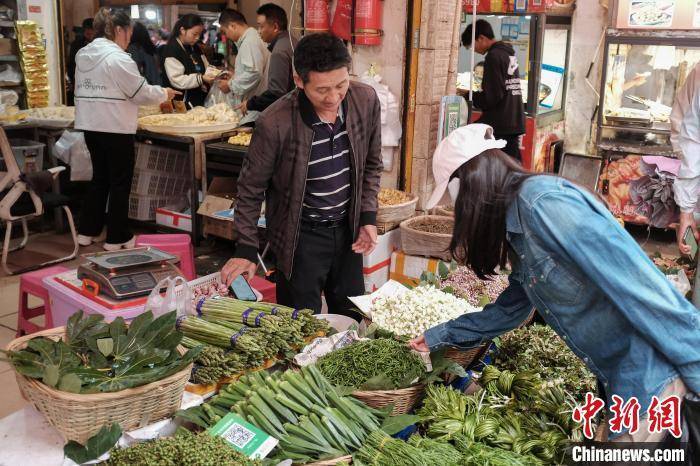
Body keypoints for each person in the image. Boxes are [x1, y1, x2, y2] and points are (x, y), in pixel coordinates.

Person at [409, 124, 700, 442]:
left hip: (651, 381)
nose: (459, 211)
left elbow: (644, 290)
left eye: (456, 201)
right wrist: (440, 335)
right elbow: (511, 310)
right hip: (619, 380)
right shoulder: (519, 222)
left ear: (470, 184)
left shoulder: (544, 206)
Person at [220, 33, 382, 319]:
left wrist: (367, 217)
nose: (333, 97)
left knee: (353, 315)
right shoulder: (275, 122)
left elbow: (372, 164)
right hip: (300, 238)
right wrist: (246, 248)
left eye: (341, 85)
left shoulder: (365, 100)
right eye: (322, 90)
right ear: (298, 81)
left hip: (347, 233)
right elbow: (250, 189)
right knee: (300, 323)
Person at [74, 9, 179, 251]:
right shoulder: (118, 58)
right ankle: (117, 237)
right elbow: (139, 92)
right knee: (120, 182)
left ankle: (88, 231)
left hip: (90, 125)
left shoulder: (84, 54)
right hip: (115, 127)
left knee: (99, 178)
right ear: (119, 30)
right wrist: (164, 93)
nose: (130, 37)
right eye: (129, 31)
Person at [462, 20, 525, 161]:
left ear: (482, 38)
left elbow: (493, 96)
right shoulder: (507, 53)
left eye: (473, 45)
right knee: (513, 164)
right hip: (512, 119)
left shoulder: (493, 56)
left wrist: (469, 95)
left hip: (501, 123)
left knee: (506, 168)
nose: (474, 50)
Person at [237, 3, 296, 116]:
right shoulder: (290, 41)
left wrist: (250, 103)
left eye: (261, 26)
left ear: (275, 27)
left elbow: (276, 93)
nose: (259, 31)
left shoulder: (280, 51)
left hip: (288, 112)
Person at [217, 9, 269, 125]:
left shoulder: (249, 42)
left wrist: (230, 85)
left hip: (253, 110)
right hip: (254, 106)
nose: (226, 36)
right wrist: (235, 76)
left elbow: (254, 73)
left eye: (225, 32)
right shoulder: (251, 38)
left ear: (232, 26)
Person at [161, 14, 213, 108]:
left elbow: (206, 66)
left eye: (199, 34)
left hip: (198, 100)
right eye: (194, 34)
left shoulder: (195, 47)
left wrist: (214, 73)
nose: (197, 38)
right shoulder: (172, 50)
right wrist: (201, 78)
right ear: (182, 30)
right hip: (181, 103)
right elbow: (177, 80)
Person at [67, 18, 95, 106]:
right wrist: (73, 80)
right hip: (80, 81)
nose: (89, 32)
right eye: (87, 29)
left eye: (91, 29)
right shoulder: (76, 44)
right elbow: (71, 64)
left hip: (97, 83)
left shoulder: (101, 44)